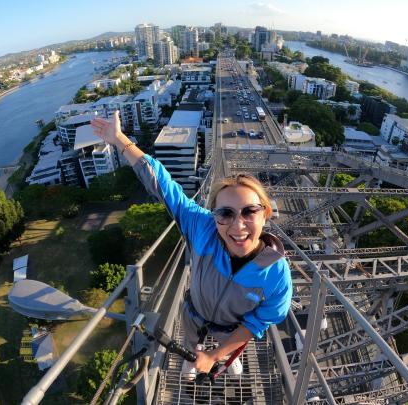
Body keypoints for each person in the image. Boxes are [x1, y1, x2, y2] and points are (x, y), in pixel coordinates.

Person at [92, 111, 292, 376]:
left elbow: (258, 321)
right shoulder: (202, 229)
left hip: (232, 328)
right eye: (225, 213)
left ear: (265, 213)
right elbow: (162, 184)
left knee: (225, 348)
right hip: (194, 313)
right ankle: (192, 357)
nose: (237, 224)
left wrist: (215, 356)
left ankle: (223, 357)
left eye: (249, 211)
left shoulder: (277, 275)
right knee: (191, 341)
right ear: (214, 216)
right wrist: (119, 140)